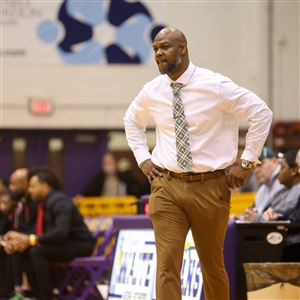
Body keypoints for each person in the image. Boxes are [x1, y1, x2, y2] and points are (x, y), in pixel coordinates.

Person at [124, 27, 273, 300]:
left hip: (210, 186)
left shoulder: (215, 85)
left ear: (182, 48)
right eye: (155, 48)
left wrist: (247, 161)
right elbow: (131, 121)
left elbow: (261, 113)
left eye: (165, 47)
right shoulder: (152, 90)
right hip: (166, 186)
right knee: (167, 264)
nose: (158, 53)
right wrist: (143, 159)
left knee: (212, 265)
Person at [3, 168, 96, 300]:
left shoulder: (60, 202)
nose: (29, 190)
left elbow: (61, 233)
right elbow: (45, 233)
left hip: (80, 245)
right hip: (65, 243)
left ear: (45, 185)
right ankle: (34, 293)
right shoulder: (45, 203)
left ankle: (46, 296)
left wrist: (31, 239)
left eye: (33, 186)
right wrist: (22, 240)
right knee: (26, 249)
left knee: (37, 252)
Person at [234, 147, 285, 221]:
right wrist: (242, 216)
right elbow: (254, 210)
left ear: (274, 162)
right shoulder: (263, 188)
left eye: (260, 164)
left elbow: (279, 215)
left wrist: (256, 217)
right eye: (253, 167)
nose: (256, 171)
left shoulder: (284, 182)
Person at [0, 189, 18, 300]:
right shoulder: (1, 215)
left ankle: (11, 291)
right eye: (0, 202)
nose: (1, 205)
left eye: (5, 203)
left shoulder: (19, 214)